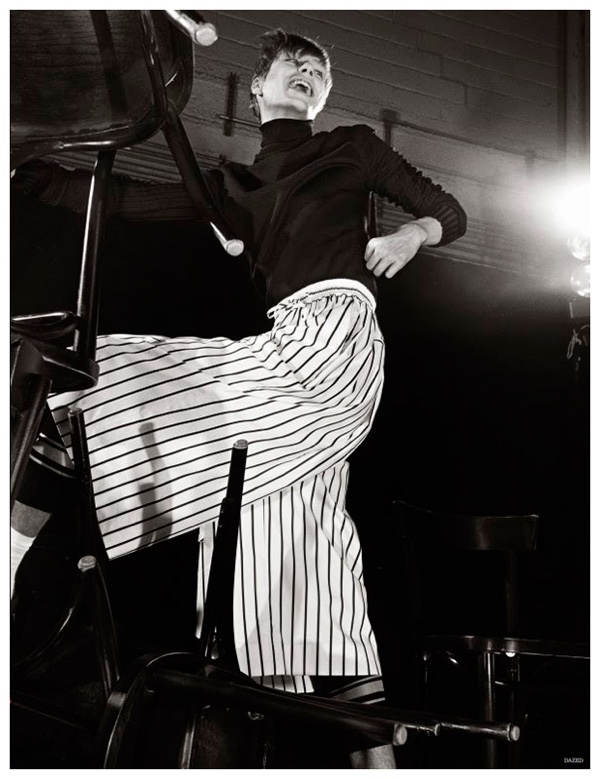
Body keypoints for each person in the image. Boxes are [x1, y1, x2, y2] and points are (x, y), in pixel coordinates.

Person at [11, 29, 466, 768]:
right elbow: (123, 200)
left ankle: (10, 558)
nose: (308, 72)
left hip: (333, 341)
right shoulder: (235, 187)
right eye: (294, 64)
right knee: (297, 548)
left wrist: (414, 234)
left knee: (105, 372)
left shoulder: (351, 147)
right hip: (286, 349)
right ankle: (372, 754)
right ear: (257, 88)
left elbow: (447, 208)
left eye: (318, 69)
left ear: (324, 94)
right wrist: (24, 171)